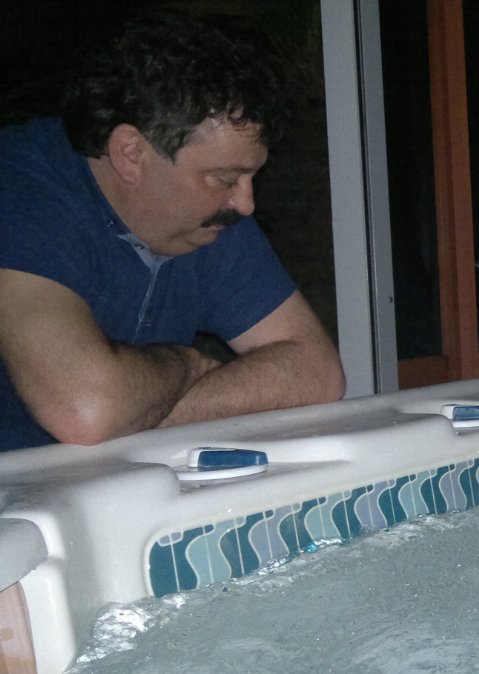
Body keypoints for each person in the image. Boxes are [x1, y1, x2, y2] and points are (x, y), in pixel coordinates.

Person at [0, 12, 345, 451]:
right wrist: (185, 365)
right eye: (225, 178)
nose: (246, 203)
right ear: (130, 153)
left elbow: (318, 372)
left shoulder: (207, 220)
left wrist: (139, 408)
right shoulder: (21, 196)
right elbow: (87, 411)